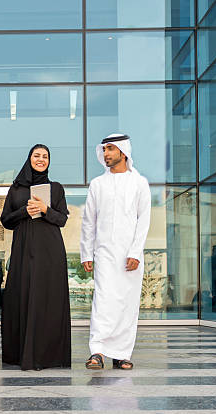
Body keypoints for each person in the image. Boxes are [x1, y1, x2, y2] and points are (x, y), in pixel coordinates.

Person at [81, 133, 151, 371]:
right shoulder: (97, 184)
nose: (106, 154)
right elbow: (89, 222)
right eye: (104, 149)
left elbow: (144, 221)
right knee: (103, 300)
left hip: (130, 256)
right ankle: (97, 351)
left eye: (110, 149)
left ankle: (121, 353)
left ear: (123, 151)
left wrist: (135, 253)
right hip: (104, 254)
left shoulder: (139, 183)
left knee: (127, 304)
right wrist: (86, 254)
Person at [0, 144, 71, 371]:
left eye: (45, 156)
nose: (41, 159)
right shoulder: (17, 189)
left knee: (46, 299)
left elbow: (62, 219)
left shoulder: (56, 188)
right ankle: (23, 355)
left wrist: (45, 209)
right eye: (36, 156)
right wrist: (25, 212)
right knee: (22, 296)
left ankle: (47, 356)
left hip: (50, 252)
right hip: (23, 250)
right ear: (29, 159)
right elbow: (6, 220)